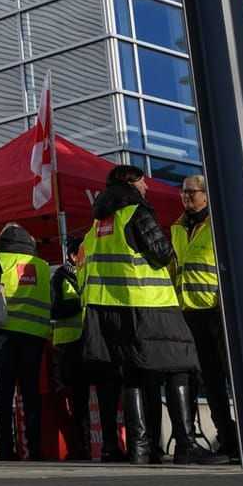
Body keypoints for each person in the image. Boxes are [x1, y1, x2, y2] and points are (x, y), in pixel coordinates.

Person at [81, 164, 223, 465]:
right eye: (142, 182)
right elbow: (161, 253)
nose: (146, 187)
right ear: (131, 184)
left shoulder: (99, 222)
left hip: (112, 308)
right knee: (180, 366)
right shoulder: (136, 211)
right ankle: (186, 444)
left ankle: (140, 448)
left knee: (133, 373)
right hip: (151, 303)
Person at [172, 174, 237, 459]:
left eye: (191, 192)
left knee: (232, 376)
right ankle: (227, 436)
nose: (186, 197)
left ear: (206, 195)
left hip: (217, 309)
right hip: (189, 311)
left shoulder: (219, 223)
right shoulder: (177, 227)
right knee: (209, 380)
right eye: (183, 192)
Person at [0, 222, 50, 462]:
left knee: (4, 390)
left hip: (2, 334)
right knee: (30, 392)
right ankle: (35, 448)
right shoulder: (41, 265)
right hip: (34, 336)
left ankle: (7, 448)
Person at [51, 237, 90, 462]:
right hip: (66, 346)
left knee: (82, 399)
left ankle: (85, 446)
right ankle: (77, 446)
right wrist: (80, 302)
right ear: (74, 256)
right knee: (72, 399)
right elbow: (55, 309)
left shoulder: (86, 273)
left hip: (85, 344)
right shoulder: (60, 277)